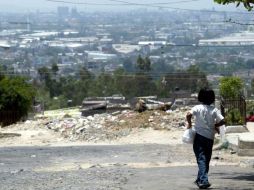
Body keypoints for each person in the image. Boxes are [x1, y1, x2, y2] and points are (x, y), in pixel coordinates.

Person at [186, 88, 225, 189]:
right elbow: (223, 121)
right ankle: (200, 179)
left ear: (200, 97)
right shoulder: (214, 110)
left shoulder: (197, 107)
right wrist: (215, 125)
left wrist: (190, 124)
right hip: (210, 138)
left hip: (199, 137)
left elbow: (189, 114)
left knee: (201, 159)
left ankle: (203, 180)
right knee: (206, 159)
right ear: (212, 98)